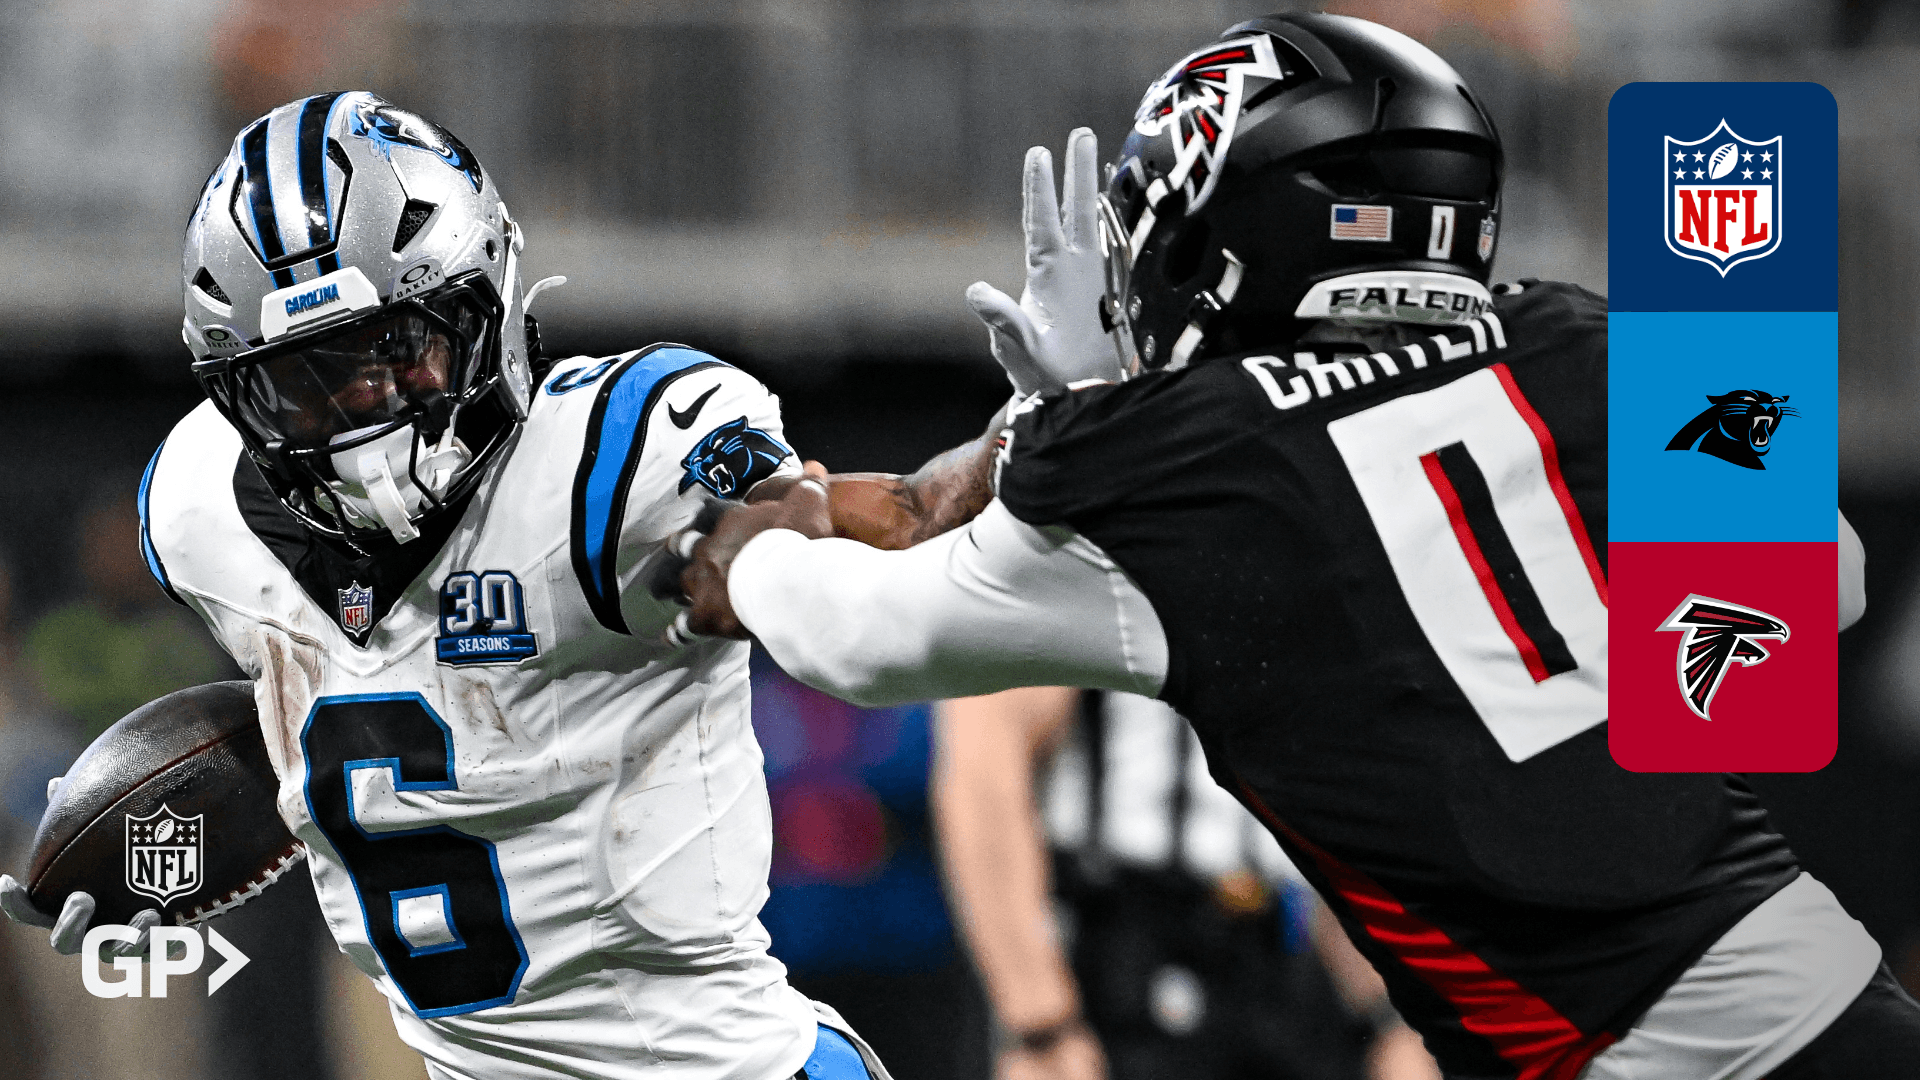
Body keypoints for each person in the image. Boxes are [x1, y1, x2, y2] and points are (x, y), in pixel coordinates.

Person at [671, 14, 1920, 1080]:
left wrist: (747, 558)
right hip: (1820, 989)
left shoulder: (1182, 471)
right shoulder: (1570, 338)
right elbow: (1832, 581)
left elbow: (863, 640)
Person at [0, 91, 938, 1080]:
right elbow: (351, 717)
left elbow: (829, 523)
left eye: (397, 350)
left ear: (483, 300)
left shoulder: (607, 457)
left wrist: (868, 535)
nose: (364, 409)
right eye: (308, 381)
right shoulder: (202, 512)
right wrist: (172, 831)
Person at [936, 686, 1438, 1080]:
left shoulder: (1307, 598)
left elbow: (1333, 816)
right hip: (1115, 942)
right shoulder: (1090, 578)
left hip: (1269, 944)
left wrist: (1390, 1019)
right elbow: (984, 769)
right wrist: (1039, 1025)